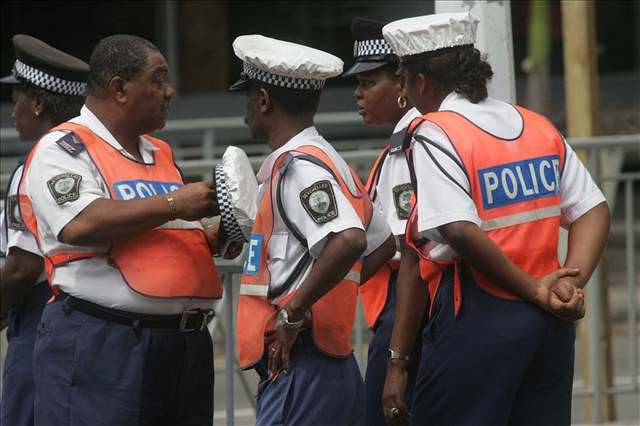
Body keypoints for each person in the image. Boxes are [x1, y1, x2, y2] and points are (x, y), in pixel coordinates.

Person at [380, 12, 610, 426]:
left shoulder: (435, 131)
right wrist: (567, 285)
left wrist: (535, 291)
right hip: (549, 324)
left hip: (478, 316)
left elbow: (457, 229)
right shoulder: (535, 125)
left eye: (403, 79)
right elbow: (593, 208)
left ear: (422, 82)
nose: (403, 90)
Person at [19, 34, 230, 426]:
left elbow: (168, 230)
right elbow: (81, 223)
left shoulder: (159, 152)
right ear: (119, 89)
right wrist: (175, 203)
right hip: (105, 342)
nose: (170, 91)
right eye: (158, 79)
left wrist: (217, 234)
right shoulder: (63, 148)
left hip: (182, 345)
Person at [230, 34, 395, 425]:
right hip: (323, 362)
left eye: (249, 97)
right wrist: (326, 295)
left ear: (265, 100)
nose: (246, 109)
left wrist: (296, 312)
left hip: (300, 365)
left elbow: (351, 239)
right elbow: (384, 243)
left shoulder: (299, 168)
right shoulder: (330, 161)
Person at [0, 34, 87, 426]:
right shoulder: (95, 157)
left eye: (16, 98)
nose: (11, 110)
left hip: (39, 323)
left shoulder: (37, 163)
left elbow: (22, 267)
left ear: (36, 103)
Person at [342, 18, 422, 426]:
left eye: (369, 82)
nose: (358, 94)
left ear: (404, 84)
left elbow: (411, 252)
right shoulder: (395, 146)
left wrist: (397, 358)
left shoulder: (410, 148)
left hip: (407, 310)